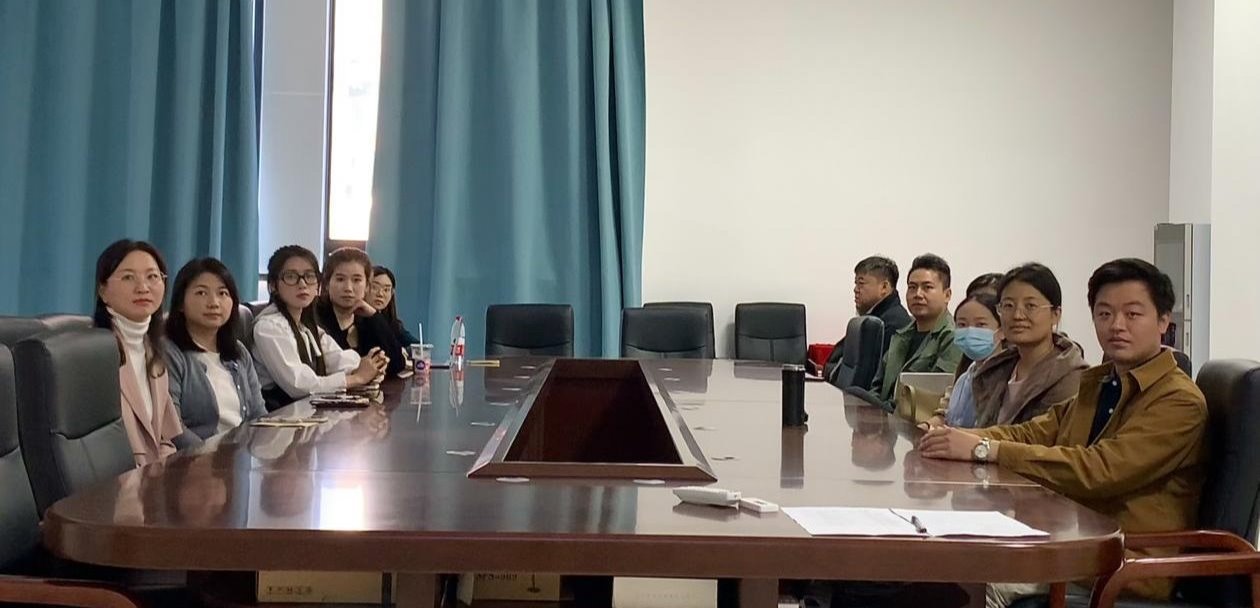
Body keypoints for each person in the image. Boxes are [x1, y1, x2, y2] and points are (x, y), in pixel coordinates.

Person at [918, 259, 1208, 606]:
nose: (1116, 325)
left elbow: (1099, 470)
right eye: (1104, 314)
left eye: (1132, 314)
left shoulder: (1178, 400)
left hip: (1122, 563)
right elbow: (1035, 432)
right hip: (1072, 542)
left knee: (965, 584)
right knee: (935, 568)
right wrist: (960, 440)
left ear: (1163, 321)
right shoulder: (1103, 382)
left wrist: (985, 449)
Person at [252, 245, 388, 408]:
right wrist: (357, 378)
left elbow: (337, 359)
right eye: (291, 276)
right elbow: (299, 385)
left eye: (309, 276)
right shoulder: (269, 327)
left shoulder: (306, 326)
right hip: (279, 415)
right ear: (274, 285)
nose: (302, 284)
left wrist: (372, 366)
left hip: (306, 413)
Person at [93, 239, 186, 466]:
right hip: (117, 479)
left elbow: (163, 439)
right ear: (103, 291)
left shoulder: (153, 348)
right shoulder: (93, 355)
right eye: (128, 277)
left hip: (155, 477)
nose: (143, 287)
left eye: (152, 277)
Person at [164, 257, 267, 441]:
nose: (214, 303)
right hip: (195, 456)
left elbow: (258, 414)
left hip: (242, 452)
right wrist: (209, 454)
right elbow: (173, 428)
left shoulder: (238, 351)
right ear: (180, 303)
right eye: (201, 293)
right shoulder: (169, 353)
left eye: (223, 293)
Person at [870, 254, 963, 404]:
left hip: (915, 417)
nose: (918, 294)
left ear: (947, 295)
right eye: (912, 287)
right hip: (883, 414)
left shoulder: (953, 339)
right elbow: (877, 386)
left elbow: (935, 398)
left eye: (927, 287)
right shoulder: (902, 334)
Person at [817, 256, 913, 383]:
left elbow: (869, 380)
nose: (855, 289)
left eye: (861, 283)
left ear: (884, 287)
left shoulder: (891, 325)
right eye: (855, 283)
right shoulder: (872, 319)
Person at [314, 248, 407, 377]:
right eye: (340, 279)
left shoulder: (366, 320)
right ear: (326, 284)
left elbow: (397, 364)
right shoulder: (314, 316)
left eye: (357, 280)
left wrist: (374, 316)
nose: (348, 288)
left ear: (367, 286)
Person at [935, 293, 1002, 428]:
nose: (970, 331)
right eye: (962, 324)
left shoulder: (1006, 377)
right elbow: (949, 416)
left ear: (1002, 330)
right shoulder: (965, 376)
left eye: (981, 324)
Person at [369, 265, 420, 347]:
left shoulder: (393, 324)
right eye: (375, 287)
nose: (380, 294)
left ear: (392, 293)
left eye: (386, 290)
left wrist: (404, 350)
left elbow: (418, 346)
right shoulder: (355, 322)